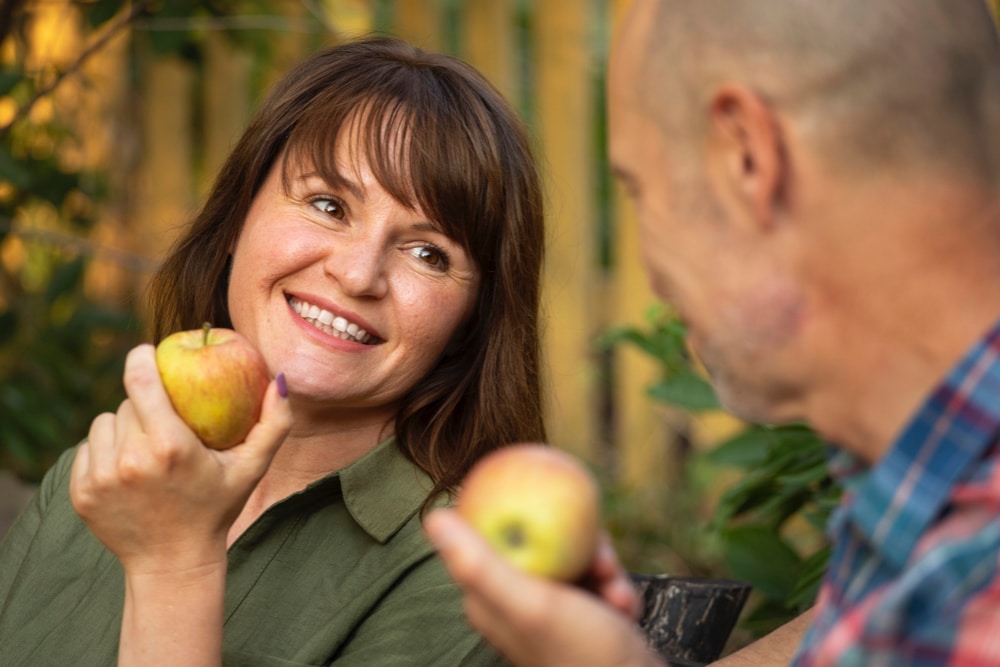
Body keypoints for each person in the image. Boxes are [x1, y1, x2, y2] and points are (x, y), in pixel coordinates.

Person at [425, 0, 1000, 665]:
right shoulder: (922, 498)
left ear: (748, 157)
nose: (653, 278)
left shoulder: (971, 583)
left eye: (640, 188)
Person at [0, 36, 546, 665]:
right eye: (328, 204)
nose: (358, 273)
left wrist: (174, 571)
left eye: (429, 254)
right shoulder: (94, 481)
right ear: (237, 217)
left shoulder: (470, 576)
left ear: (472, 321)